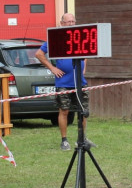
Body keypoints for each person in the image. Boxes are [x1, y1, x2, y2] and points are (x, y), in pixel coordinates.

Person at [35, 13, 93, 151]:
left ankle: (82, 139)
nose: (71, 24)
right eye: (68, 22)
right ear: (62, 23)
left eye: (73, 21)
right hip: (63, 83)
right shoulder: (56, 39)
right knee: (64, 111)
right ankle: (64, 140)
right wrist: (52, 68)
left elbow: (86, 53)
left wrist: (84, 67)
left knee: (83, 111)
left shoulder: (80, 37)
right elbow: (39, 54)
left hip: (80, 82)